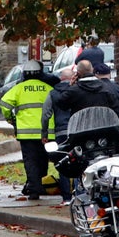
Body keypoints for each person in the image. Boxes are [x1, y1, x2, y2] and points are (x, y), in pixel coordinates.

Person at [0, 60, 54, 200]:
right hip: (46, 132)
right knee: (43, 160)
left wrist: (11, 119)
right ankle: (41, 184)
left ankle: (34, 189)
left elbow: (4, 104)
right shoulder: (48, 88)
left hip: (26, 132)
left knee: (30, 161)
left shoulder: (19, 88)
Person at [40, 65, 75, 202]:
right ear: (72, 78)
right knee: (79, 162)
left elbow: (45, 115)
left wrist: (44, 134)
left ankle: (66, 197)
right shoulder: (77, 91)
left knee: (63, 164)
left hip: (60, 132)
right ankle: (79, 193)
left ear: (60, 79)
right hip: (76, 131)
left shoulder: (53, 93)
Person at [53, 59, 119, 124]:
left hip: (80, 129)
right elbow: (117, 109)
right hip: (102, 128)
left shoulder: (74, 90)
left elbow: (61, 104)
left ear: (78, 73)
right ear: (92, 70)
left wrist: (69, 86)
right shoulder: (106, 88)